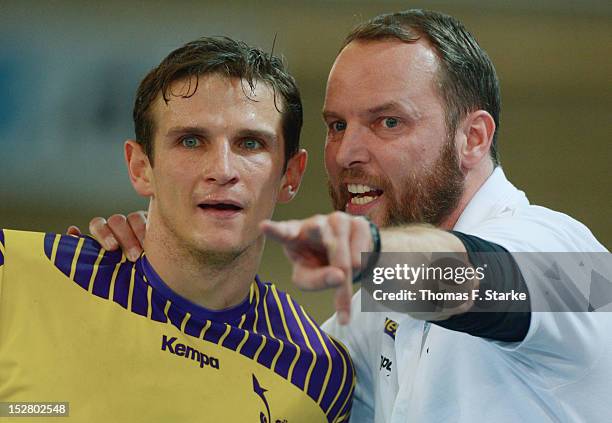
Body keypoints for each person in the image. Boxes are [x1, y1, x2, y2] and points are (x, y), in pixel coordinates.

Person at [84, 9, 611, 423]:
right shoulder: (364, 315)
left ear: (472, 138)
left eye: (387, 122)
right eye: (337, 126)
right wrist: (156, 261)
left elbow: (473, 279)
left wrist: (372, 256)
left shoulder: (580, 267)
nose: (347, 153)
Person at [0, 37, 355, 422]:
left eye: (250, 143)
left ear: (291, 175)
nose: (222, 170)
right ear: (140, 167)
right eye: (190, 141)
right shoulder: (16, 273)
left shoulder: (320, 378)